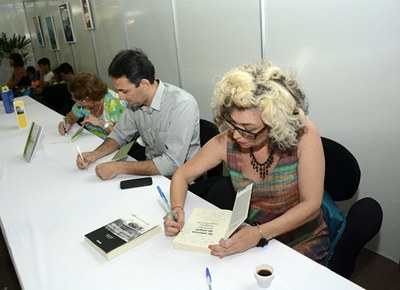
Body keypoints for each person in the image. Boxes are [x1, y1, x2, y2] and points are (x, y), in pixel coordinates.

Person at [164, 61, 330, 263]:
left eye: (247, 128)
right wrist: (176, 210)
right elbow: (182, 175)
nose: (236, 134)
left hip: (301, 241)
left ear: (275, 124)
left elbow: (311, 205)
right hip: (253, 239)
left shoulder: (305, 135)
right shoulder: (228, 140)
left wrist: (259, 233)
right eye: (232, 123)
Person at [76, 48, 200, 180]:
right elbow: (119, 134)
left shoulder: (182, 104)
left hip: (180, 179)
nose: (121, 97)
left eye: (124, 91)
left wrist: (119, 167)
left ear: (144, 84)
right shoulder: (135, 102)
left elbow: (172, 164)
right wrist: (94, 154)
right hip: (152, 171)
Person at [58, 72, 127, 140]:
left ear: (91, 97)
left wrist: (100, 123)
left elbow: (121, 136)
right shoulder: (82, 102)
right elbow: (71, 117)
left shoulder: (115, 103)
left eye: (80, 101)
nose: (77, 104)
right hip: (92, 141)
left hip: (112, 145)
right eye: (75, 99)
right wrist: (67, 124)